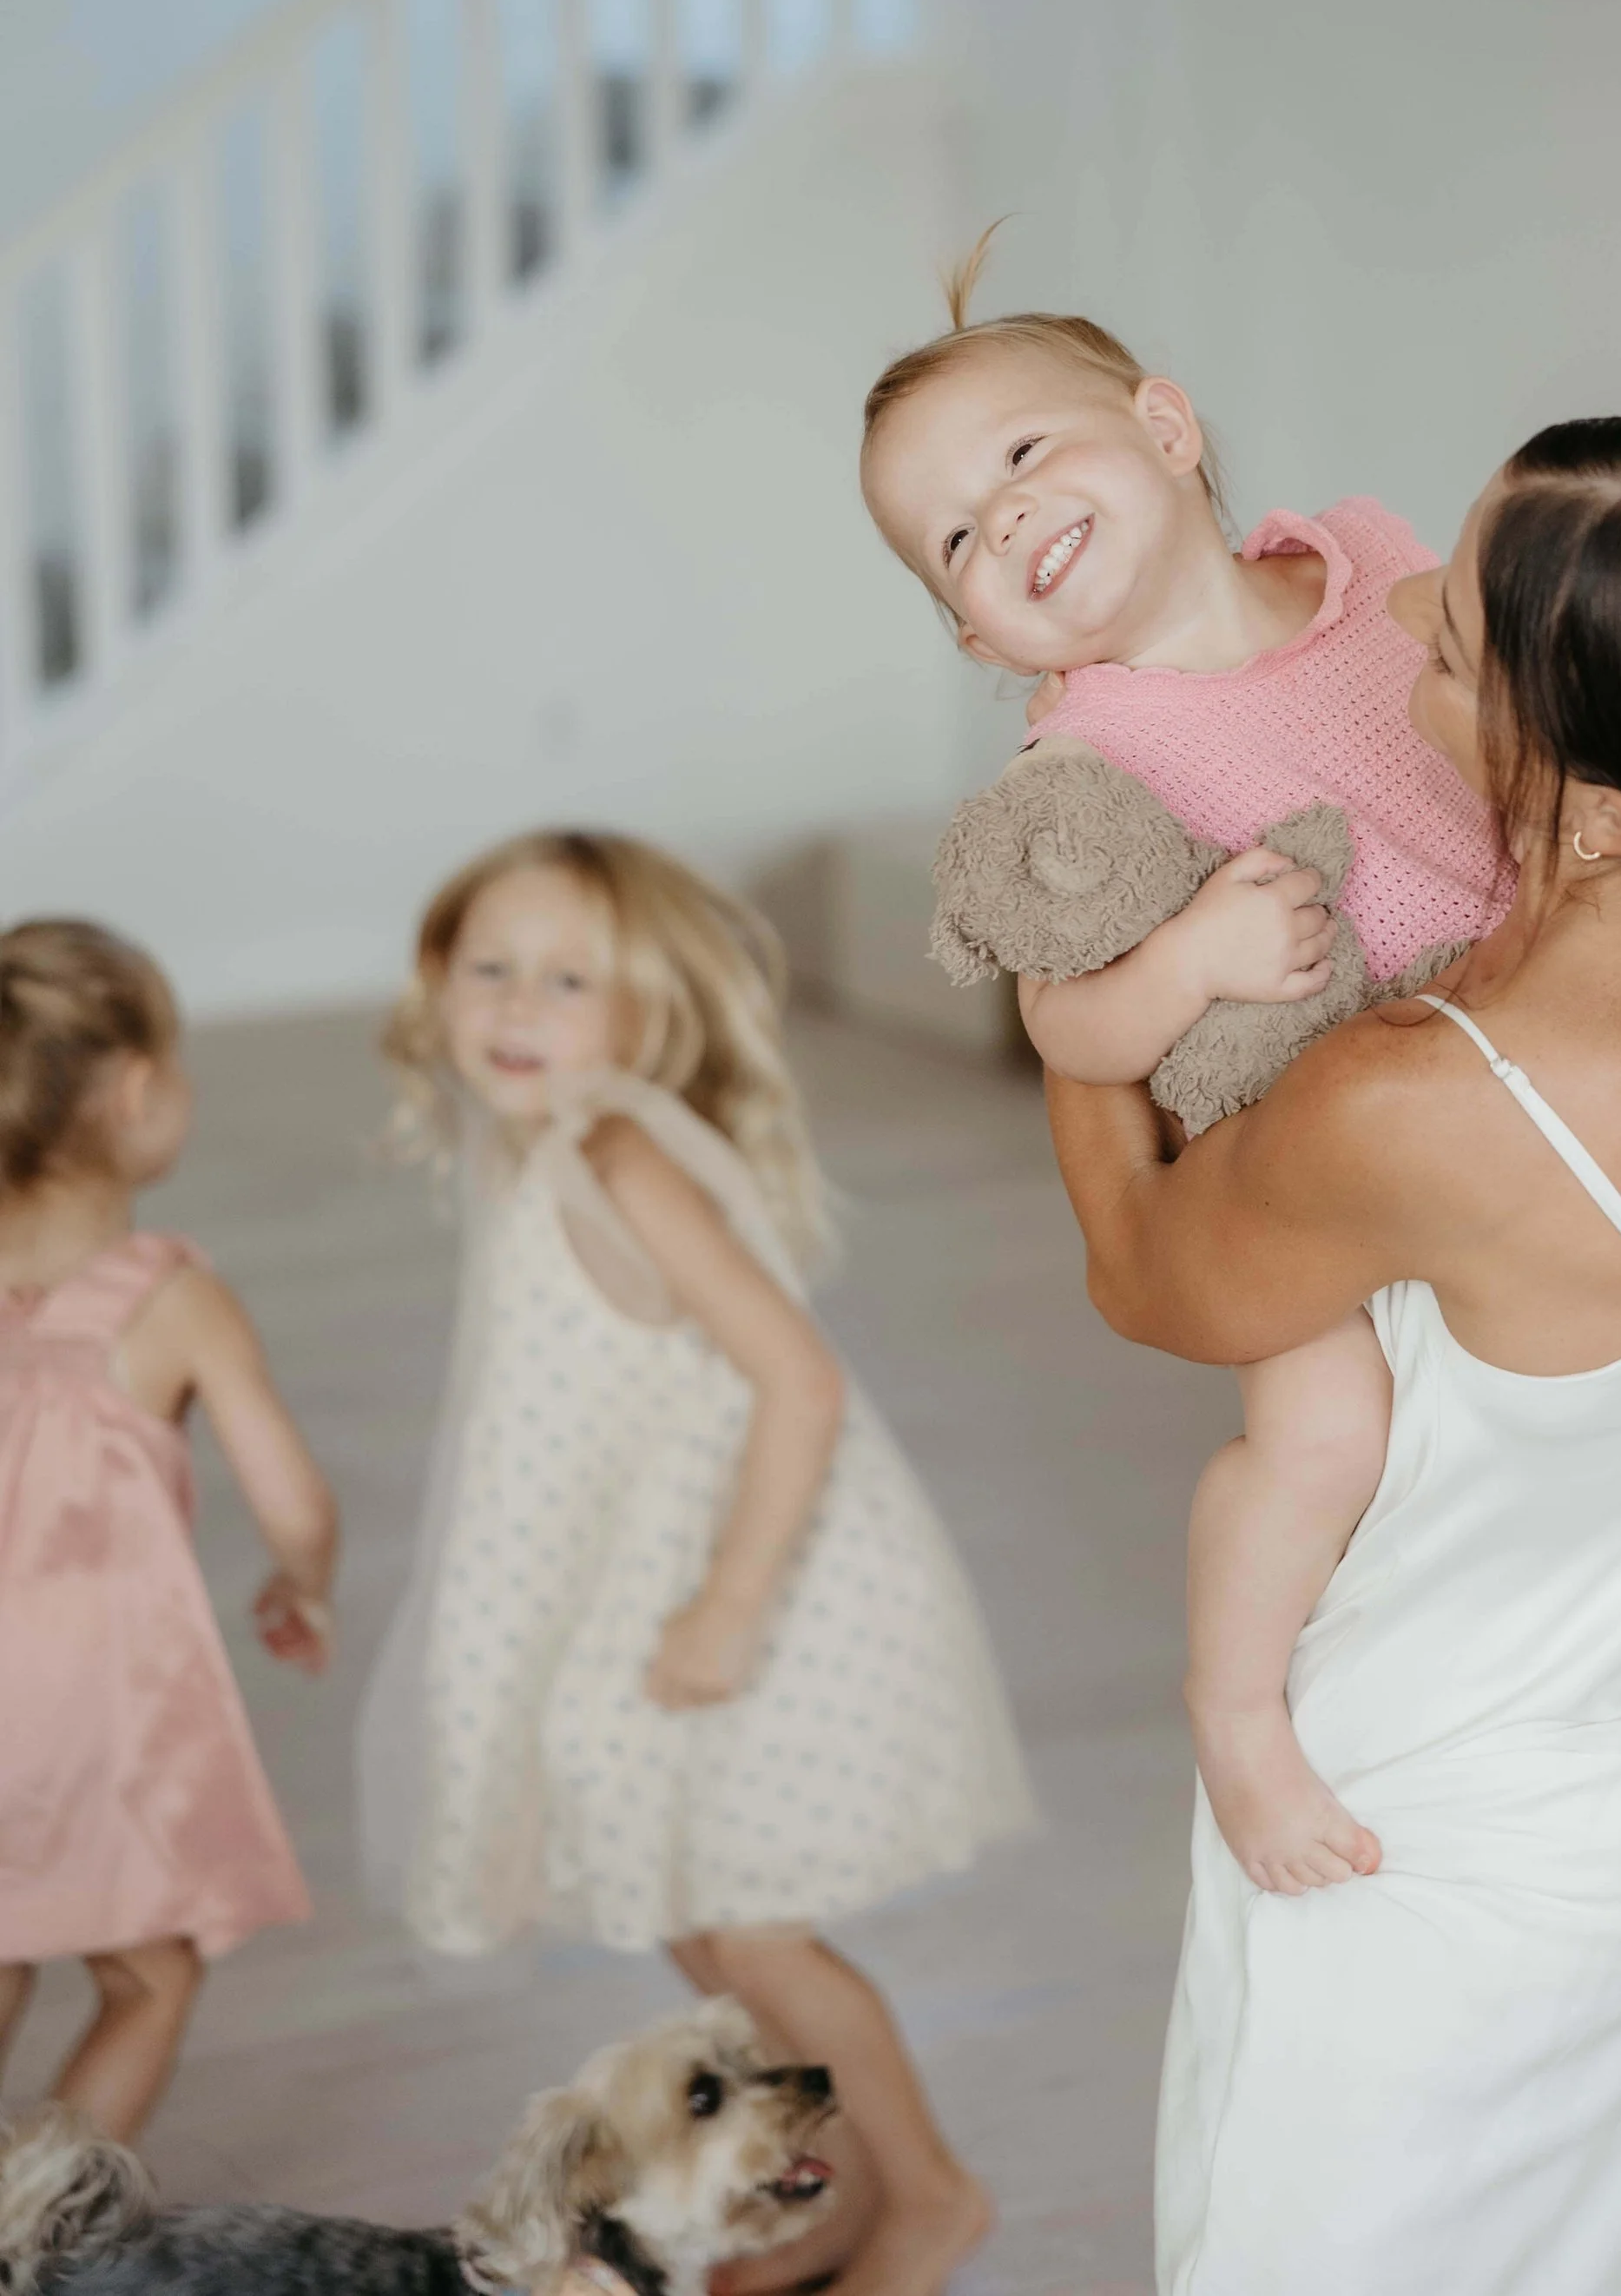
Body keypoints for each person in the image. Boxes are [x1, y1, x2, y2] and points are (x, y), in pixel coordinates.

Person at [1045, 419, 1621, 2296]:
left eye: (1443, 643)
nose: (1385, 631)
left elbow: (1145, 1270)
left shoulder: (1423, 1103)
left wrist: (1072, 973)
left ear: (1611, 813)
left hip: (1433, 1856)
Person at [861, 256, 1508, 1896]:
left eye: (1017, 459)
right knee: (1323, 1431)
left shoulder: (1371, 561)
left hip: (1509, 1043)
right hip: (1303, 1133)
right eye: (954, 537)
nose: (997, 522)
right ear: (972, 630)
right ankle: (1235, 1715)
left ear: (1163, 425)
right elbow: (1065, 1030)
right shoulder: (1088, 750)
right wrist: (1192, 962)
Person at [359, 833, 1031, 2296]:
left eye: (568, 977)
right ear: (437, 982)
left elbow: (800, 1379)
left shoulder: (619, 1146)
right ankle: (823, 2193)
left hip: (742, 1586)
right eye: (491, 968)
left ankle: (927, 2196)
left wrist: (727, 1603)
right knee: (684, 1905)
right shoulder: (546, 1145)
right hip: (638, 1579)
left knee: (750, 1928)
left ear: (647, 1011)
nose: (518, 1004)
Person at [0, 920, 334, 2140]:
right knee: (148, 1975)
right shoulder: (173, 1300)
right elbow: (295, 1501)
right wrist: (305, 1585)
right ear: (138, 1091)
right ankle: (30, 2234)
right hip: (90, 1712)